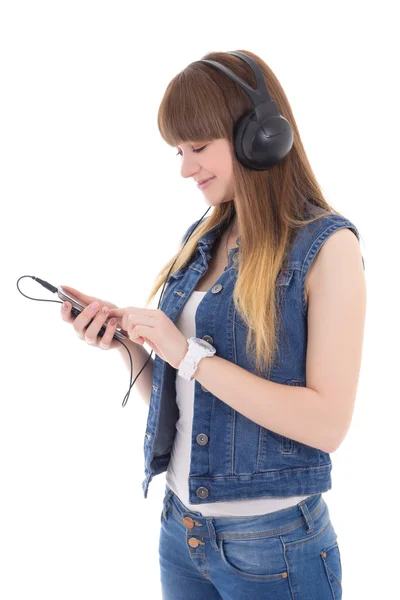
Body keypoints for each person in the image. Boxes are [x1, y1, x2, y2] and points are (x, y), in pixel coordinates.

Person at [61, 50, 366, 599]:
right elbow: (188, 394)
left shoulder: (328, 248)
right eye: (179, 151)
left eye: (198, 147)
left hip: (273, 548)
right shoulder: (202, 239)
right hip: (181, 532)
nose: (185, 167)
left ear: (262, 135)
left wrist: (188, 354)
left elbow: (327, 425)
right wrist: (130, 346)